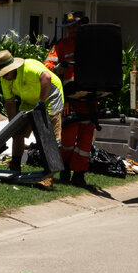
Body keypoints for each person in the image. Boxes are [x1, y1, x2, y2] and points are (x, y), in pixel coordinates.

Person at [0, 49, 64, 188]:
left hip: (50, 95)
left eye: (6, 73)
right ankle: (15, 167)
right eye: (2, 74)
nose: (4, 77)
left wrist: (41, 102)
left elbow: (47, 78)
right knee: (17, 132)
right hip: (30, 100)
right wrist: (13, 125)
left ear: (14, 68)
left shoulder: (29, 67)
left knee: (47, 136)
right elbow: (10, 102)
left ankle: (48, 177)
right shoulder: (6, 80)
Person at [45, 10, 94, 187]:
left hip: (90, 99)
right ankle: (64, 167)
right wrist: (58, 68)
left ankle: (79, 173)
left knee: (85, 139)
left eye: (75, 26)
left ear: (82, 26)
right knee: (67, 137)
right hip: (68, 99)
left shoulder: (92, 44)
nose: (72, 30)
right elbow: (47, 66)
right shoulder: (61, 45)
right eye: (69, 27)